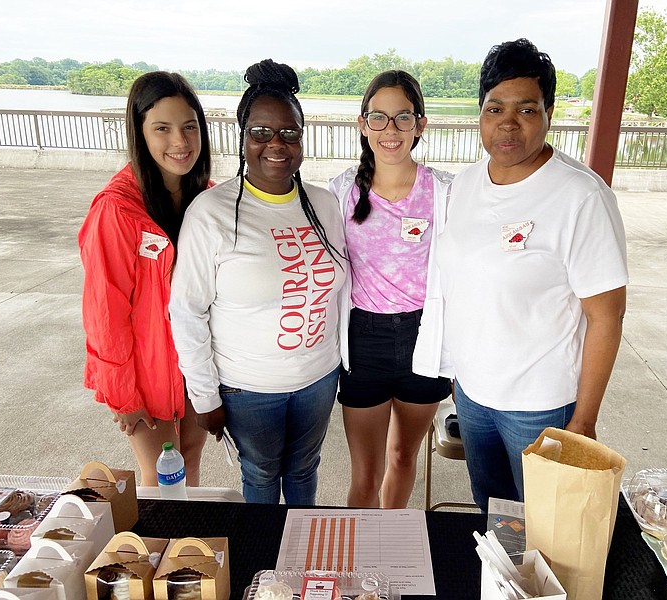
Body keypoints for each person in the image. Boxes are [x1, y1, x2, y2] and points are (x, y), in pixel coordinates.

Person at [435, 39, 628, 511]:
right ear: (480, 112)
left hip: (541, 404)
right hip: (474, 396)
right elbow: (460, 286)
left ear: (548, 113)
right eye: (494, 107)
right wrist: (458, 376)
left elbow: (606, 316)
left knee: (550, 522)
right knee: (496, 512)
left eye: (526, 108)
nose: (508, 121)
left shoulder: (580, 196)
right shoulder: (464, 184)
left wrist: (583, 418)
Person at [169, 59, 347, 505]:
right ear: (242, 137)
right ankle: (266, 569)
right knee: (263, 478)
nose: (277, 144)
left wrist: (341, 362)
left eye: (290, 133)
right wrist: (204, 395)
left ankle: (302, 563)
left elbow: (339, 292)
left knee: (305, 470)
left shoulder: (325, 205)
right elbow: (186, 310)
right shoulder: (211, 212)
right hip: (248, 389)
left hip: (319, 379)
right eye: (261, 132)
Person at [78, 71, 211, 486]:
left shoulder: (204, 196)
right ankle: (155, 550)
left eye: (190, 126)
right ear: (139, 132)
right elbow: (105, 313)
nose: (180, 141)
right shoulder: (116, 211)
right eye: (163, 128)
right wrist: (122, 396)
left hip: (194, 363)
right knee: (161, 475)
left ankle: (190, 550)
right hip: (146, 374)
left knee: (190, 459)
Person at [329, 71, 453, 508]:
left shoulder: (444, 192)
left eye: (403, 118)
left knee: (403, 456)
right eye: (378, 118)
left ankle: (387, 542)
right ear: (362, 124)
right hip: (364, 340)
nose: (391, 130)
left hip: (425, 337)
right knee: (365, 473)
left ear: (421, 124)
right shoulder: (341, 192)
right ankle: (357, 557)